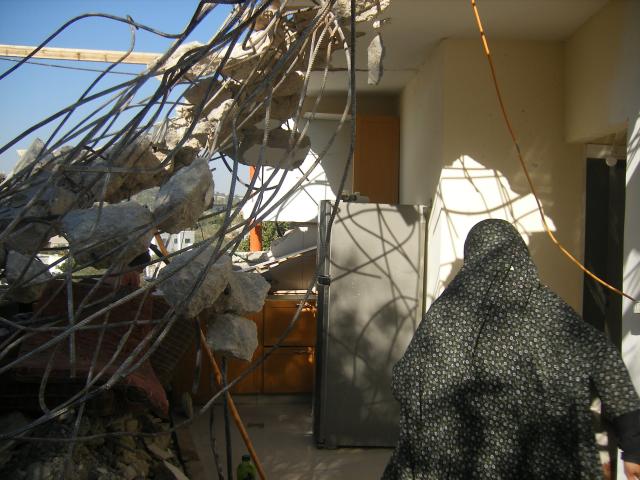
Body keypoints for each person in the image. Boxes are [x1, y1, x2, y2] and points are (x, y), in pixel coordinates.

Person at [382, 219, 640, 479]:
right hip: (541, 463)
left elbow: (405, 379)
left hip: (452, 464)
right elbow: (607, 366)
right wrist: (632, 448)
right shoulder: (549, 312)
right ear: (519, 254)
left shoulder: (447, 312)